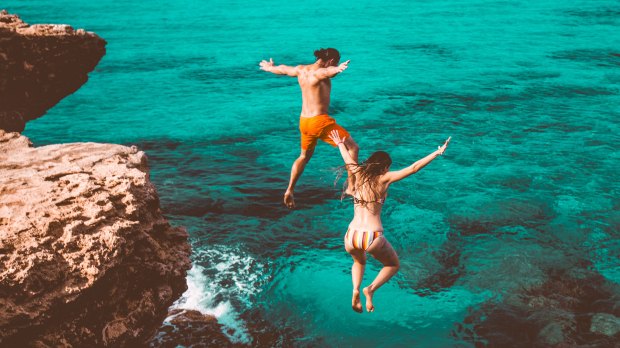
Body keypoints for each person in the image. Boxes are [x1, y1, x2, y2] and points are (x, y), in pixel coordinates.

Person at [328, 130, 451, 313]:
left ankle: (354, 290)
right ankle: (369, 290)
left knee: (359, 262)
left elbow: (347, 158)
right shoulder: (384, 179)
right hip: (372, 236)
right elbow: (413, 168)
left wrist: (339, 143)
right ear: (384, 167)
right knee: (393, 265)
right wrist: (436, 152)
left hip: (351, 235)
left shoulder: (358, 172)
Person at [259, 48, 359, 209]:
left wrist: (270, 67)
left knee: (304, 156)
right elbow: (328, 73)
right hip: (319, 121)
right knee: (353, 148)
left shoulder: (301, 70)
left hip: (304, 122)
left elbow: (284, 70)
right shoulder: (320, 72)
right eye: (337, 62)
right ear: (332, 60)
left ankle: (290, 190)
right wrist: (337, 70)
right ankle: (351, 187)